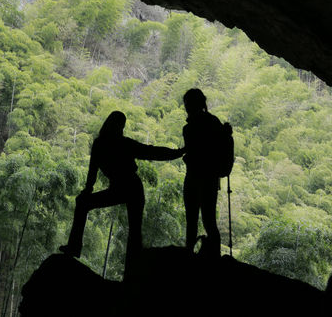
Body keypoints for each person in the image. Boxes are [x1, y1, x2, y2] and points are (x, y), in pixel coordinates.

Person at [60, 111, 184, 272]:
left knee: (132, 230)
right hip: (130, 187)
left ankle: (75, 247)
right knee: (134, 231)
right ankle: (132, 269)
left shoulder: (101, 144)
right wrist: (177, 153)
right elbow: (151, 152)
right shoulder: (123, 143)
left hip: (126, 188)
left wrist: (88, 190)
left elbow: (93, 172)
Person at [182, 89, 233, 255]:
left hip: (194, 179)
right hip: (210, 180)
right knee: (209, 221)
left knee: (192, 221)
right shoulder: (213, 123)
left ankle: (189, 254)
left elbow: (193, 153)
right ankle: (214, 258)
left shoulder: (189, 129)